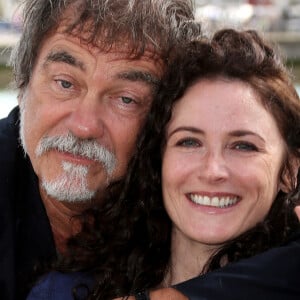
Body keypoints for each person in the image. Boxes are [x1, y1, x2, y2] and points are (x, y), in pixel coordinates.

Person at [27, 29, 300, 300]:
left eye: (243, 146)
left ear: (289, 171)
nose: (212, 170)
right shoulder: (64, 292)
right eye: (189, 142)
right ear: (158, 158)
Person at [0, 1, 201, 299]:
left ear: (163, 118)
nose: (84, 126)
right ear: (22, 82)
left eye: (126, 100)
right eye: (65, 83)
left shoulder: (196, 189)